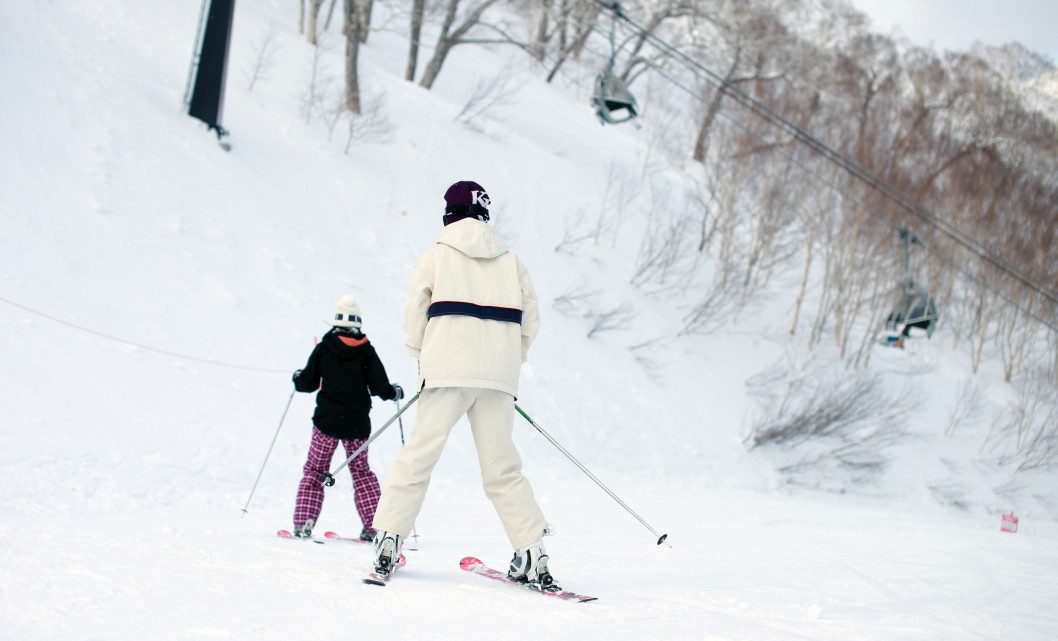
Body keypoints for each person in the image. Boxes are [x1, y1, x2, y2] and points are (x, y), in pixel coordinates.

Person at [369, 180, 559, 591]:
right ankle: (533, 551)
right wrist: (509, 358)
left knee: (418, 459)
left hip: (445, 371)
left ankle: (388, 541)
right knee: (502, 469)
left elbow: (415, 313)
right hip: (497, 378)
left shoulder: (436, 255)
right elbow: (532, 320)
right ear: (486, 213)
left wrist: (423, 354)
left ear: (449, 214)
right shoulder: (511, 261)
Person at [291, 295, 403, 541]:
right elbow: (380, 386)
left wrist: (298, 377)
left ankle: (304, 523)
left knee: (315, 470)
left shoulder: (324, 348)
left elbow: (307, 383)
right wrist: (392, 391)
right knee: (361, 473)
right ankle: (374, 527)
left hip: (326, 423)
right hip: (357, 425)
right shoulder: (366, 351)